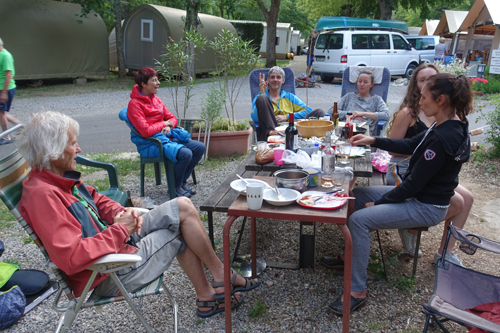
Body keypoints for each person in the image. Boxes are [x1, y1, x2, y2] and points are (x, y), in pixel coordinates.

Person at [17, 111, 261, 318]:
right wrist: (122, 229)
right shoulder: (43, 196)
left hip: (117, 244)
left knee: (183, 205)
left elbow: (97, 199)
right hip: (108, 271)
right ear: (53, 152)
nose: (79, 148)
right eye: (72, 143)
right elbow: (71, 257)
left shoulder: (59, 179)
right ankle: (209, 294)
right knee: (179, 229)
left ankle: (218, 276)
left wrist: (122, 212)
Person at [326, 73, 472, 315]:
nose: (420, 101)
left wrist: (380, 202)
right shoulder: (445, 123)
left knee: (359, 219)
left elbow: (412, 186)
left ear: (442, 100)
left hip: (426, 206)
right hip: (419, 196)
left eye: (424, 97)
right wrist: (373, 139)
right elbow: (410, 144)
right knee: (358, 194)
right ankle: (351, 257)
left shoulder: (445, 137)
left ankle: (357, 291)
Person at [386, 63, 473, 265]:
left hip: (431, 170)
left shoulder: (446, 115)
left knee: (467, 198)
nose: (426, 83)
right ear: (416, 85)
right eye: (422, 80)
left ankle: (444, 254)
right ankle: (411, 227)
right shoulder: (410, 112)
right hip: (407, 166)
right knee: (456, 202)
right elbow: (395, 148)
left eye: (431, 79)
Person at [127, 67, 205, 198]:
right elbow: (145, 131)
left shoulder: (156, 100)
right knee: (185, 153)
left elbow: (172, 118)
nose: (158, 83)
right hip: (150, 143)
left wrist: (169, 126)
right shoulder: (134, 104)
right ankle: (174, 187)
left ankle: (181, 183)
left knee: (199, 148)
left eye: (157, 79)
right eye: (154, 80)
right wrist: (163, 124)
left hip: (165, 137)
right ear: (143, 84)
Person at [250, 66, 324, 141]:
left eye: (278, 77)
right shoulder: (261, 98)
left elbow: (309, 111)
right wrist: (261, 92)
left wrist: (286, 117)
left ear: (283, 80)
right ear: (268, 80)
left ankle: (310, 140)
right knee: (262, 97)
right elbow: (254, 117)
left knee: (319, 113)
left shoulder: (289, 97)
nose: (275, 79)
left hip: (291, 130)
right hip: (270, 134)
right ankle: (274, 131)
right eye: (272, 77)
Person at [328, 69, 390, 136]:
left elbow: (386, 115)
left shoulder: (376, 100)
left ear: (371, 84)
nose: (362, 84)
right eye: (360, 81)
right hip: (344, 130)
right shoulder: (349, 97)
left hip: (363, 132)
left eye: (366, 82)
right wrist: (350, 114)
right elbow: (331, 111)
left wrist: (362, 113)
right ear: (356, 82)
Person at [0, 37, 21, 145]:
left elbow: (9, 74)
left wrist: (4, 92)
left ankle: (7, 137)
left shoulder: (6, 55)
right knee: (1, 113)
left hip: (5, 88)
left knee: (1, 112)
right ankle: (20, 125)